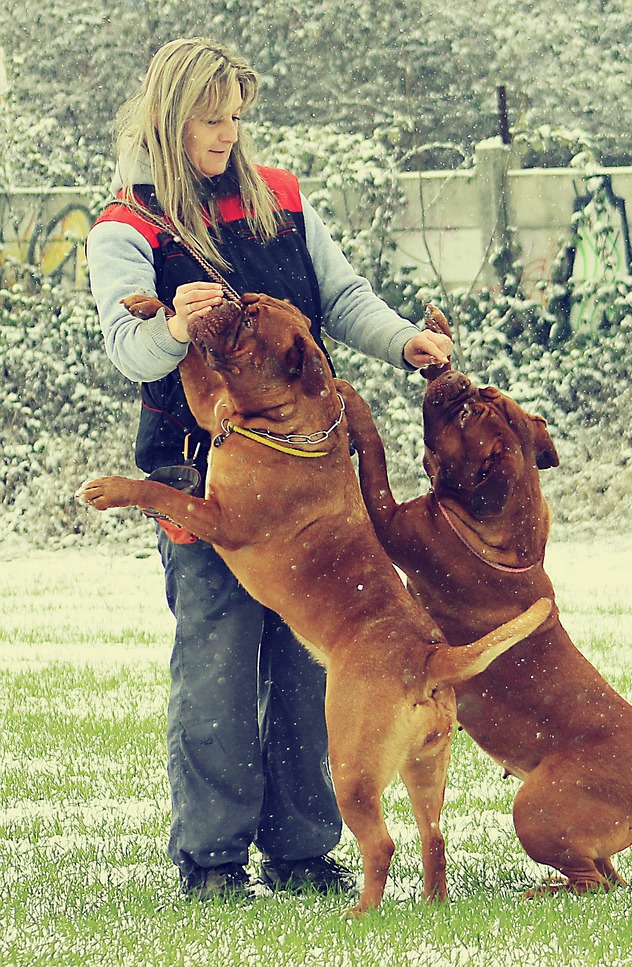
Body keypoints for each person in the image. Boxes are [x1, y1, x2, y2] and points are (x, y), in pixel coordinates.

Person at [85, 38, 452, 902]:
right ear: (172, 118)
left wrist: (405, 339)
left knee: (307, 669)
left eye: (237, 118)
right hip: (200, 471)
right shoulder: (126, 224)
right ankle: (211, 862)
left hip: (315, 480)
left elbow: (343, 297)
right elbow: (125, 349)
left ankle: (303, 850)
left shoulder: (277, 196)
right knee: (215, 663)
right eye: (213, 121)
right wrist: (174, 329)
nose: (229, 135)